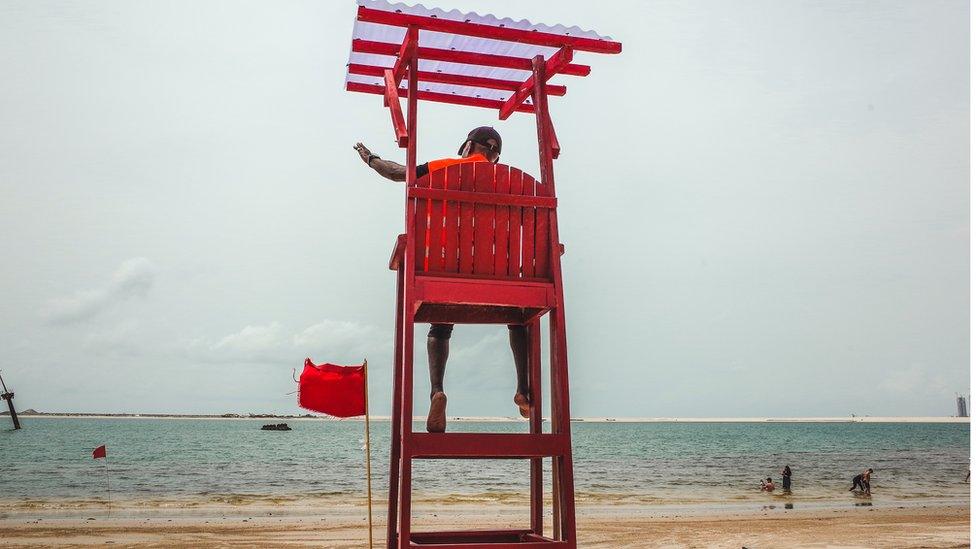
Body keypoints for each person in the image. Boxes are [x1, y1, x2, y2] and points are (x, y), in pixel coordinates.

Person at [353, 127, 532, 433]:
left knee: (440, 321)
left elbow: (397, 173)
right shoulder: (518, 182)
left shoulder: (443, 168)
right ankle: (523, 391)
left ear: (467, 146)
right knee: (519, 320)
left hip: (444, 275)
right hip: (499, 281)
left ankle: (437, 390)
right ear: (495, 155)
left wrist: (370, 158)